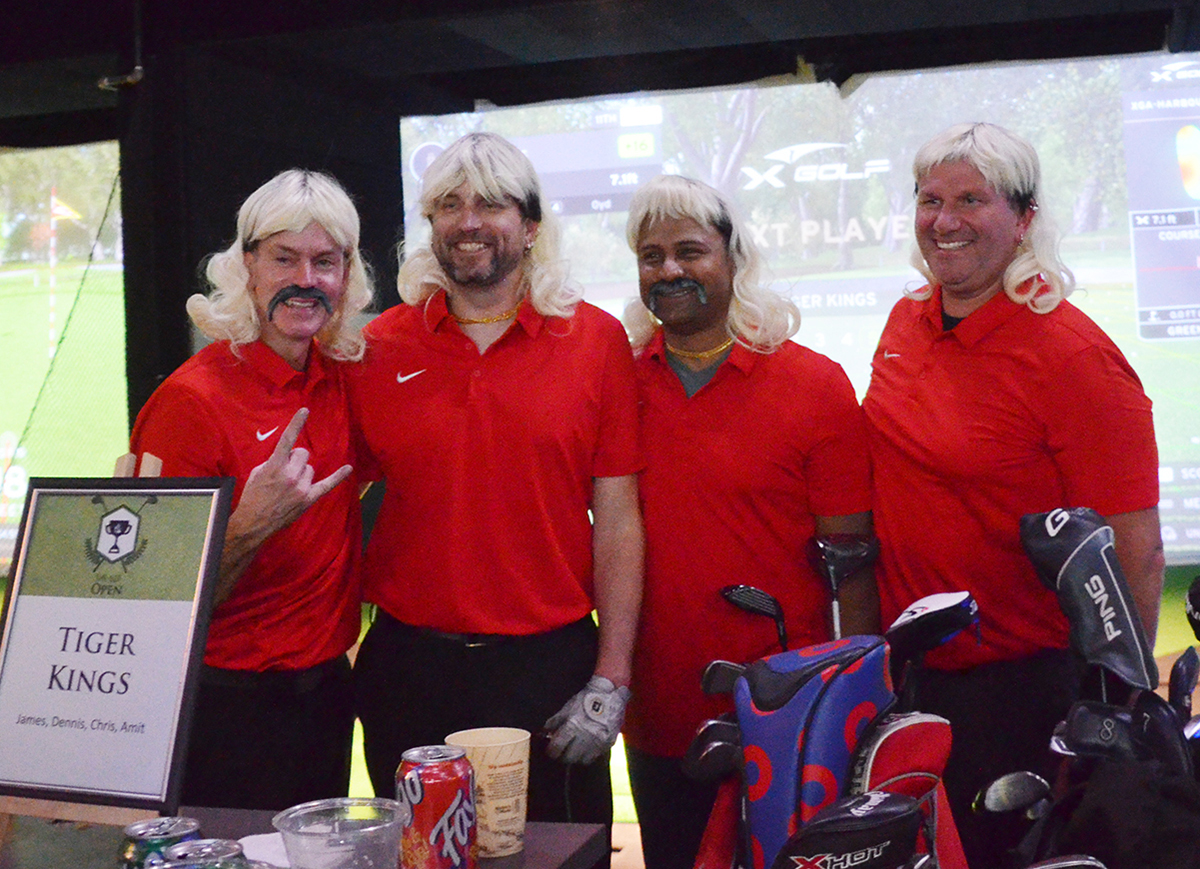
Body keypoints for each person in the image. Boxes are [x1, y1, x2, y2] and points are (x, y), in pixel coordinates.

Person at [862, 122, 1162, 868]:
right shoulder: (906, 321)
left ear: (1025, 219)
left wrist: (1114, 715)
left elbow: (1138, 548)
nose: (946, 220)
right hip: (913, 681)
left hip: (1024, 694)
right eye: (930, 200)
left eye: (972, 199)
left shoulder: (1072, 354)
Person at [348, 132, 644, 830]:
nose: (469, 221)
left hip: (546, 670)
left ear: (532, 225)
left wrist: (612, 675)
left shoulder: (593, 340)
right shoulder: (380, 346)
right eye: (448, 204)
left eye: (492, 204)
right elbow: (329, 502)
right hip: (408, 668)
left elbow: (620, 516)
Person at [621, 174, 877, 869]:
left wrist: (856, 703)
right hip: (656, 713)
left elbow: (851, 559)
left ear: (735, 258)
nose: (669, 270)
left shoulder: (815, 385)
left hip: (788, 714)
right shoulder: (615, 380)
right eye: (651, 255)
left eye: (689, 251)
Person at [129, 169, 373, 809]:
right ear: (246, 268)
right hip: (225, 704)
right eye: (284, 258)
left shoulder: (340, 377)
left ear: (347, 276)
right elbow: (153, 605)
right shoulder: (190, 401)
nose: (306, 279)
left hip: (324, 692)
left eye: (325, 261)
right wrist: (250, 523)